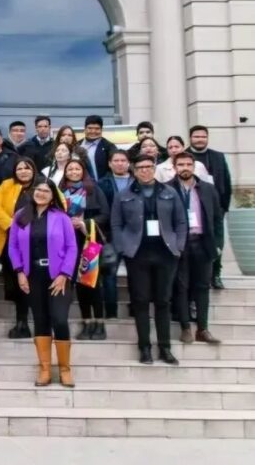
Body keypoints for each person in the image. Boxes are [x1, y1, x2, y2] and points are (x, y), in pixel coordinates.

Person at [111, 154, 187, 365]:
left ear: (154, 168)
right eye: (140, 167)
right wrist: (122, 247)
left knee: (163, 301)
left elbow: (181, 222)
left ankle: (165, 348)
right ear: (134, 171)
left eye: (148, 166)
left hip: (165, 253)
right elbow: (116, 224)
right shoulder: (124, 195)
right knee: (141, 301)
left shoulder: (170, 192)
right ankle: (144, 347)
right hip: (138, 253)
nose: (145, 170)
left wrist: (179, 246)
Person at [9, 178, 78, 387]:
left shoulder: (61, 217)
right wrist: (20, 272)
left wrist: (64, 274)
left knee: (59, 319)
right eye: (38, 190)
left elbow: (72, 247)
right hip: (32, 275)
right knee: (40, 320)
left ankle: (65, 368)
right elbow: (12, 246)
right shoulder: (21, 216)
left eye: (46, 191)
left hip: (58, 276)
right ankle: (45, 368)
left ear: (52, 196)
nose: (41, 193)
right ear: (32, 192)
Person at [169, 152, 224, 345]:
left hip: (202, 242)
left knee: (202, 287)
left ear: (194, 167)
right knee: (181, 287)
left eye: (188, 164)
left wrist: (218, 245)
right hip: (179, 244)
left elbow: (217, 219)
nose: (185, 168)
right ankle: (185, 327)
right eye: (181, 164)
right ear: (175, 167)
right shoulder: (167, 189)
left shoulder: (208, 189)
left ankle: (203, 328)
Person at [60, 158, 110, 341]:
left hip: (89, 241)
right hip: (67, 243)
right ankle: (87, 323)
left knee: (92, 285)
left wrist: (84, 223)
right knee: (79, 287)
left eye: (77, 168)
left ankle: (100, 325)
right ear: (65, 172)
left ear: (83, 171)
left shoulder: (93, 190)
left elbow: (105, 214)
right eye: (70, 169)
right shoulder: (59, 192)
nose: (73, 171)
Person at [0, 157, 38, 339]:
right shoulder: (6, 185)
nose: (23, 172)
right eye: (19, 169)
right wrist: (12, 226)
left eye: (27, 168)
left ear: (33, 170)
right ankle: (21, 322)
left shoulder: (43, 185)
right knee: (18, 284)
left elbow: (59, 205)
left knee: (34, 284)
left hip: (36, 242)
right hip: (10, 241)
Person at [187, 125, 232, 289]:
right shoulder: (185, 156)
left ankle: (216, 274)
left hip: (215, 208)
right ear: (190, 138)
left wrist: (223, 207)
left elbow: (226, 182)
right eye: (196, 136)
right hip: (193, 207)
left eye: (203, 137)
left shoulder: (218, 157)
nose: (200, 139)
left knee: (216, 241)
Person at [96, 149, 133, 319]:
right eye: (116, 160)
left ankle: (135, 308)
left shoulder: (137, 181)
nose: (119, 163)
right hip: (110, 236)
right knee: (109, 275)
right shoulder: (102, 183)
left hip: (135, 235)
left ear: (128, 163)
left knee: (137, 275)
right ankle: (111, 312)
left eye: (123, 160)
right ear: (110, 164)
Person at [80, 115, 118, 181]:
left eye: (97, 129)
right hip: (81, 187)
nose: (93, 131)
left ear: (102, 129)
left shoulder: (109, 146)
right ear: (85, 129)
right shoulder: (77, 145)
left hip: (102, 186)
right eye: (90, 128)